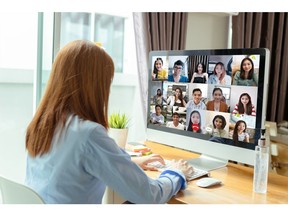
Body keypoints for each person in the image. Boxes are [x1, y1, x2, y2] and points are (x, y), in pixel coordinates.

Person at [25, 40, 193, 204]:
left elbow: (73, 165)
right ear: (95, 86)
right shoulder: (88, 133)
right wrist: (176, 173)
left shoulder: (43, 124)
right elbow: (149, 195)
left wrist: (129, 164)